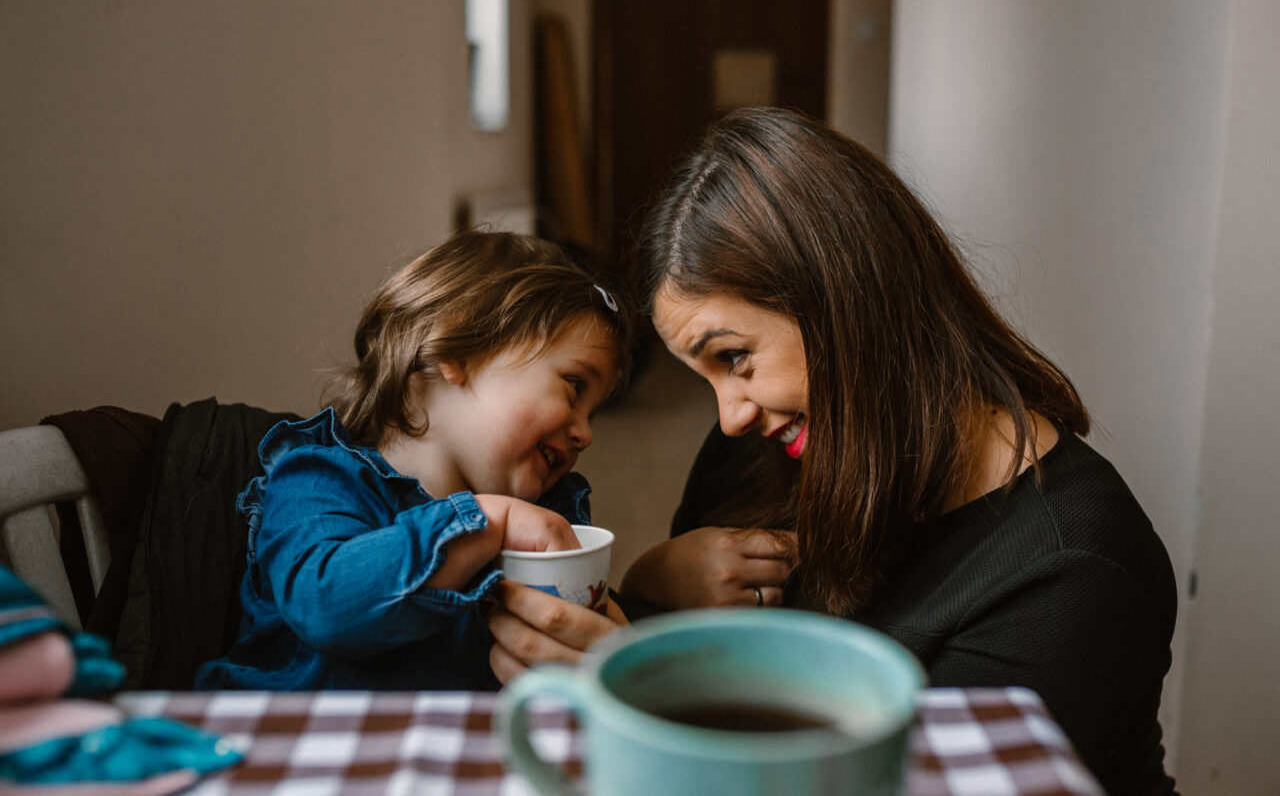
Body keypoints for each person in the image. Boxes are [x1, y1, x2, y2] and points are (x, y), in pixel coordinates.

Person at [488, 108, 1178, 796]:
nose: (729, 416)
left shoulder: (1071, 569)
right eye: (706, 379)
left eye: (735, 357)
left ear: (846, 300)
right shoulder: (766, 448)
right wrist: (651, 583)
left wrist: (631, 690)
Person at [196, 229, 633, 691]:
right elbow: (324, 606)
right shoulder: (318, 477)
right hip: (288, 746)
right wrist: (482, 521)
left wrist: (609, 640)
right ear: (458, 347)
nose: (585, 433)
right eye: (573, 386)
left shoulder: (549, 515)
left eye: (593, 413)